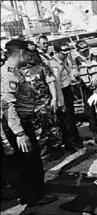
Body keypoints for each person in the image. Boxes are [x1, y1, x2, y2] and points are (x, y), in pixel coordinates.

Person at [1, 39, 58, 208]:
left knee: (26, 162)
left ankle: (28, 195)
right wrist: (19, 133)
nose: (29, 56)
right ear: (20, 53)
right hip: (17, 123)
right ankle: (34, 197)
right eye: (27, 53)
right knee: (30, 163)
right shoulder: (9, 74)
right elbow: (7, 105)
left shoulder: (14, 71)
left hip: (21, 120)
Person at [20, 42, 64, 157]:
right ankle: (44, 148)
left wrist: (54, 98)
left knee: (52, 126)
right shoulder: (20, 70)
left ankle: (56, 148)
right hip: (30, 105)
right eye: (27, 54)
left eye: (32, 54)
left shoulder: (42, 67)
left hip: (44, 102)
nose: (30, 57)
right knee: (37, 129)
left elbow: (51, 82)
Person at [49, 43, 83, 150]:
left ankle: (75, 137)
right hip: (61, 92)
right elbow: (56, 85)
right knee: (66, 118)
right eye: (64, 53)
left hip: (68, 89)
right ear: (57, 52)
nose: (66, 55)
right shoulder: (54, 64)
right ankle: (70, 141)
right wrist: (61, 103)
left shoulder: (65, 59)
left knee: (71, 116)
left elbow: (69, 73)